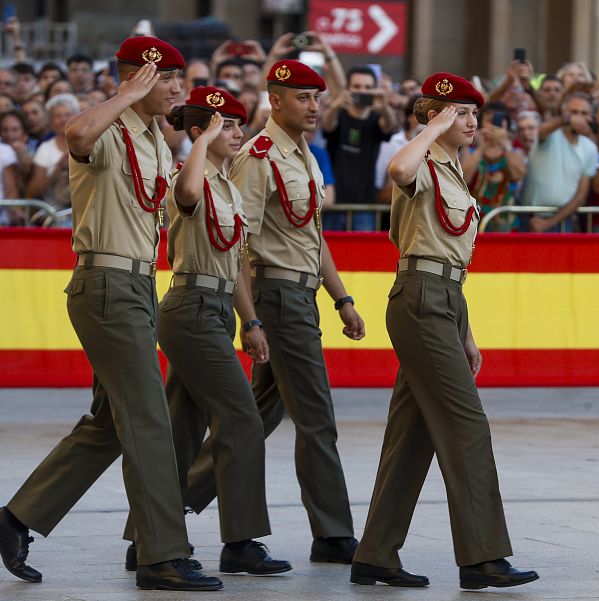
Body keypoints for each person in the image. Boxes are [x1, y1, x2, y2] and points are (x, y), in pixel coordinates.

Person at [0, 36, 222, 591]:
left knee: (110, 423)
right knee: (148, 418)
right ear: (140, 77)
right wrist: (125, 94)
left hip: (139, 286)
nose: (179, 88)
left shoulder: (152, 138)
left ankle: (16, 518)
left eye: (179, 79)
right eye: (168, 78)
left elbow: (186, 199)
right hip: (106, 283)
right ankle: (161, 556)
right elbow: (74, 134)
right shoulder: (110, 129)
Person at [350, 72, 539, 590]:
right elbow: (396, 167)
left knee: (412, 436)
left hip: (444, 301)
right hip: (419, 298)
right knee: (466, 424)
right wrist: (432, 130)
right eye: (460, 112)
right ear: (436, 115)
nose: (472, 121)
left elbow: (455, 261)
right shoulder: (424, 159)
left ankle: (375, 554)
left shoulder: (454, 170)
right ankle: (482, 558)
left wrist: (467, 331)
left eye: (475, 113)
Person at [181, 59, 365, 566]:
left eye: (317, 98)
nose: (313, 107)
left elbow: (314, 236)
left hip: (301, 294)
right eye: (302, 97)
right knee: (316, 416)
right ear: (275, 100)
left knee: (256, 415)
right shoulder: (258, 158)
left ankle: (167, 506)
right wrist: (251, 318)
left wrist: (341, 298)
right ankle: (332, 533)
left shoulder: (304, 155)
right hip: (277, 297)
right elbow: (238, 245)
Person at [119, 85, 291, 576]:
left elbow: (235, 260)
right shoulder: (187, 174)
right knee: (242, 420)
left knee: (182, 430)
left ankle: (146, 538)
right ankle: (240, 542)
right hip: (189, 308)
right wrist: (200, 142)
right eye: (227, 125)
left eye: (237, 124)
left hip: (215, 308)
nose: (238, 133)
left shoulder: (230, 186)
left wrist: (250, 319)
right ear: (201, 130)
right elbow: (188, 195)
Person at [322, 65, 396, 230]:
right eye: (357, 86)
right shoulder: (338, 114)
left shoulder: (377, 118)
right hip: (334, 203)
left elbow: (389, 126)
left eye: (368, 87)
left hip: (365, 205)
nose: (362, 91)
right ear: (347, 88)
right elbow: (327, 126)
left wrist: (384, 106)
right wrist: (336, 104)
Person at [521, 91, 598, 232]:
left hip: (562, 221)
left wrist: (548, 223)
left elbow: (580, 196)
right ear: (564, 114)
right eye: (574, 112)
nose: (579, 117)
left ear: (590, 117)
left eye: (584, 113)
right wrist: (565, 120)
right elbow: (542, 132)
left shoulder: (590, 148)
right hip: (529, 217)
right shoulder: (551, 135)